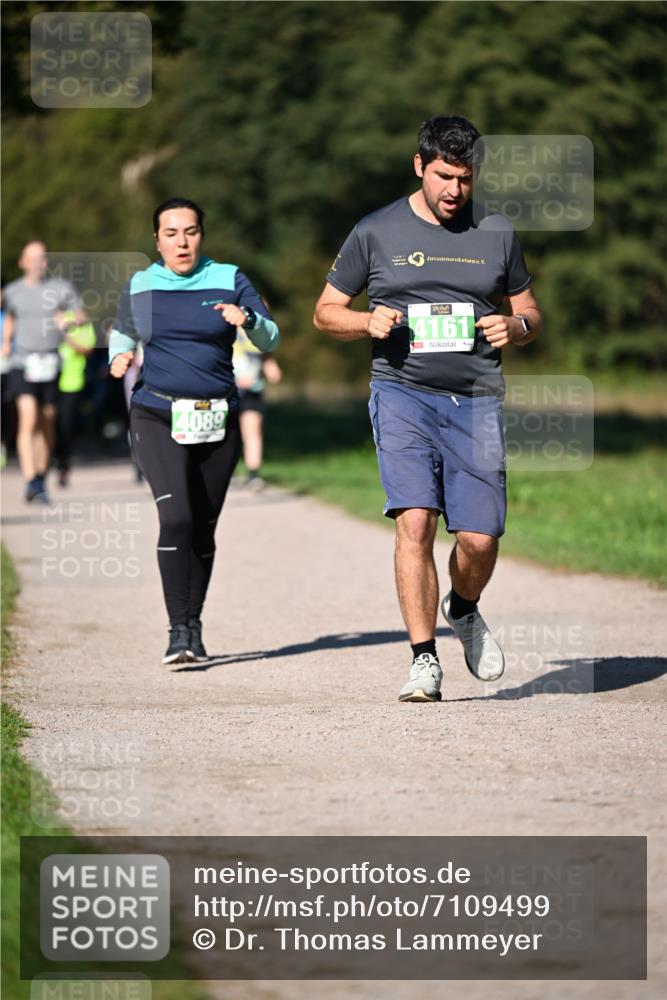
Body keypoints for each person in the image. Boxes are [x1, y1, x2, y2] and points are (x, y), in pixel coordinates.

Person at [313, 115, 542, 703]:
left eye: (464, 179)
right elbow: (324, 312)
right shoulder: (376, 230)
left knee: (480, 539)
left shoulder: (496, 231)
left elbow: (530, 313)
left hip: (475, 400)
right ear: (419, 166)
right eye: (443, 176)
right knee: (415, 521)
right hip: (401, 393)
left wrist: (514, 326)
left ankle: (463, 608)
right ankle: (423, 661)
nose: (453, 191)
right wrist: (367, 320)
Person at [109, 198, 280, 665]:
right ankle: (175, 630)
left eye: (190, 231)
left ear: (201, 235)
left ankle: (194, 626)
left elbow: (271, 336)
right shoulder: (141, 284)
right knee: (177, 517)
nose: (181, 242)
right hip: (157, 414)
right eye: (171, 233)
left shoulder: (229, 277)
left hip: (217, 417)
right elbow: (122, 331)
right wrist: (118, 356)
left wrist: (247, 320)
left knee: (203, 528)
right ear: (157, 240)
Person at [2, 242, 85, 503]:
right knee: (28, 418)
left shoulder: (61, 289)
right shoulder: (13, 291)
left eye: (42, 258)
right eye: (32, 258)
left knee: (47, 419)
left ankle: (41, 474)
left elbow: (81, 315)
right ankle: (31, 480)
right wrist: (6, 342)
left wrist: (69, 321)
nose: (38, 262)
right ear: (22, 262)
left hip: (51, 362)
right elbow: (11, 318)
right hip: (22, 363)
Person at [233, 326, 282, 490]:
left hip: (253, 390)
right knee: (224, 433)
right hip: (226, 390)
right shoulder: (224, 329)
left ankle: (253, 474)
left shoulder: (261, 335)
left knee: (253, 429)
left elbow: (266, 358)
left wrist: (271, 369)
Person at [54, 310, 96, 486]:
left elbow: (87, 349)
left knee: (65, 425)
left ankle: (63, 465)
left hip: (72, 382)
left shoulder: (84, 323)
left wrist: (66, 335)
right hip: (48, 379)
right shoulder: (55, 318)